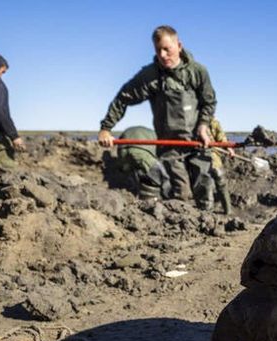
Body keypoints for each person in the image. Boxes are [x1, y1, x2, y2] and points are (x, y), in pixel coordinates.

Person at [97, 25, 217, 208]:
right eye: (158, 50)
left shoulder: (198, 72)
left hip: (197, 141)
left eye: (167, 49)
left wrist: (203, 126)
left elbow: (209, 102)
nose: (162, 55)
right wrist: (106, 128)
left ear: (179, 45)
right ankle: (178, 228)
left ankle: (208, 228)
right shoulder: (151, 76)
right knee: (180, 192)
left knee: (204, 186)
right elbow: (123, 99)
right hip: (170, 144)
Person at [116, 126, 171, 200]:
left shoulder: (138, 131)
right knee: (164, 177)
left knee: (132, 173)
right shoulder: (157, 135)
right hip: (141, 152)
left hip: (122, 152)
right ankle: (168, 198)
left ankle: (133, 193)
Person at [207, 117, 234, 214]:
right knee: (206, 185)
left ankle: (228, 211)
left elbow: (220, 136)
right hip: (198, 157)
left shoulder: (212, 121)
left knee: (221, 181)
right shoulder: (191, 119)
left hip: (213, 156)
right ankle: (207, 214)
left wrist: (229, 148)